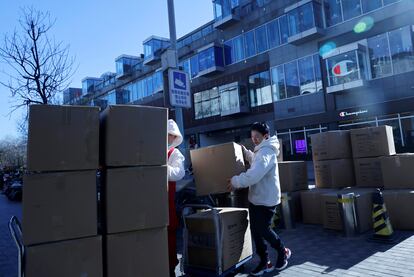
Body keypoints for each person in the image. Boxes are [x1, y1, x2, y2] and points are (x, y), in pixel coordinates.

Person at [228, 122, 291, 276]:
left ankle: (283, 251)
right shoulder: (261, 151)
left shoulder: (266, 152)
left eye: (257, 136)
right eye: (252, 136)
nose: (254, 139)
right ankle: (264, 261)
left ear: (265, 136)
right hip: (257, 198)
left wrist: (235, 181)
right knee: (256, 231)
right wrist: (247, 153)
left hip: (266, 200)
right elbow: (256, 161)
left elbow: (255, 174)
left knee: (264, 230)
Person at [167, 119, 185, 277]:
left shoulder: (175, 153)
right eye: (167, 134)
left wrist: (159, 167)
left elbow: (179, 173)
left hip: (167, 201)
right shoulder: (154, 150)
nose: (169, 137)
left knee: (169, 233)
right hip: (152, 200)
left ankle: (171, 268)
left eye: (172, 135)